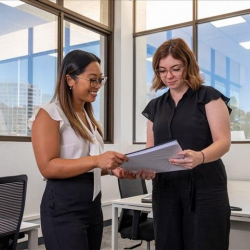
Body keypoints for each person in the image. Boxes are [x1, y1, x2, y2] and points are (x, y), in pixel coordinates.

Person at [28, 50, 139, 250]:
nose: (97, 86)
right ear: (70, 79)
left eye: (100, 80)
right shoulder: (48, 113)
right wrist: (97, 161)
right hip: (64, 207)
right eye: (92, 80)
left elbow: (84, 165)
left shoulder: (88, 118)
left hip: (92, 204)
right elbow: (47, 167)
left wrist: (112, 169)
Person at [142, 38, 231, 250]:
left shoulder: (208, 97)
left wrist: (200, 157)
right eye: (162, 70)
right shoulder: (155, 106)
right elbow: (151, 149)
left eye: (175, 68)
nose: (168, 76)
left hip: (205, 187)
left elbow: (224, 141)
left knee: (206, 244)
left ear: (188, 65)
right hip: (166, 190)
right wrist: (146, 166)